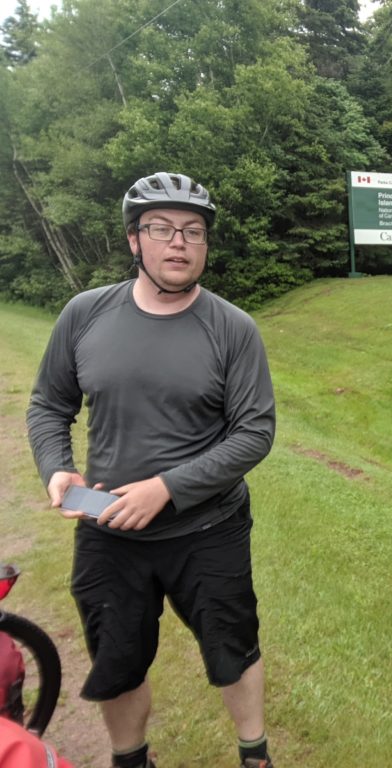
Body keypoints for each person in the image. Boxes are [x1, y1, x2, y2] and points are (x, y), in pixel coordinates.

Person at [26, 173, 277, 768]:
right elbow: (48, 404)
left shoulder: (233, 328)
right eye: (161, 229)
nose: (179, 243)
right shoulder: (85, 315)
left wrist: (168, 487)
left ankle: (255, 755)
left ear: (206, 245)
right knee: (116, 660)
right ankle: (131, 760)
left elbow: (254, 432)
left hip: (209, 530)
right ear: (134, 240)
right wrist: (57, 468)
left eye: (193, 231)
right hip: (109, 532)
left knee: (232, 649)